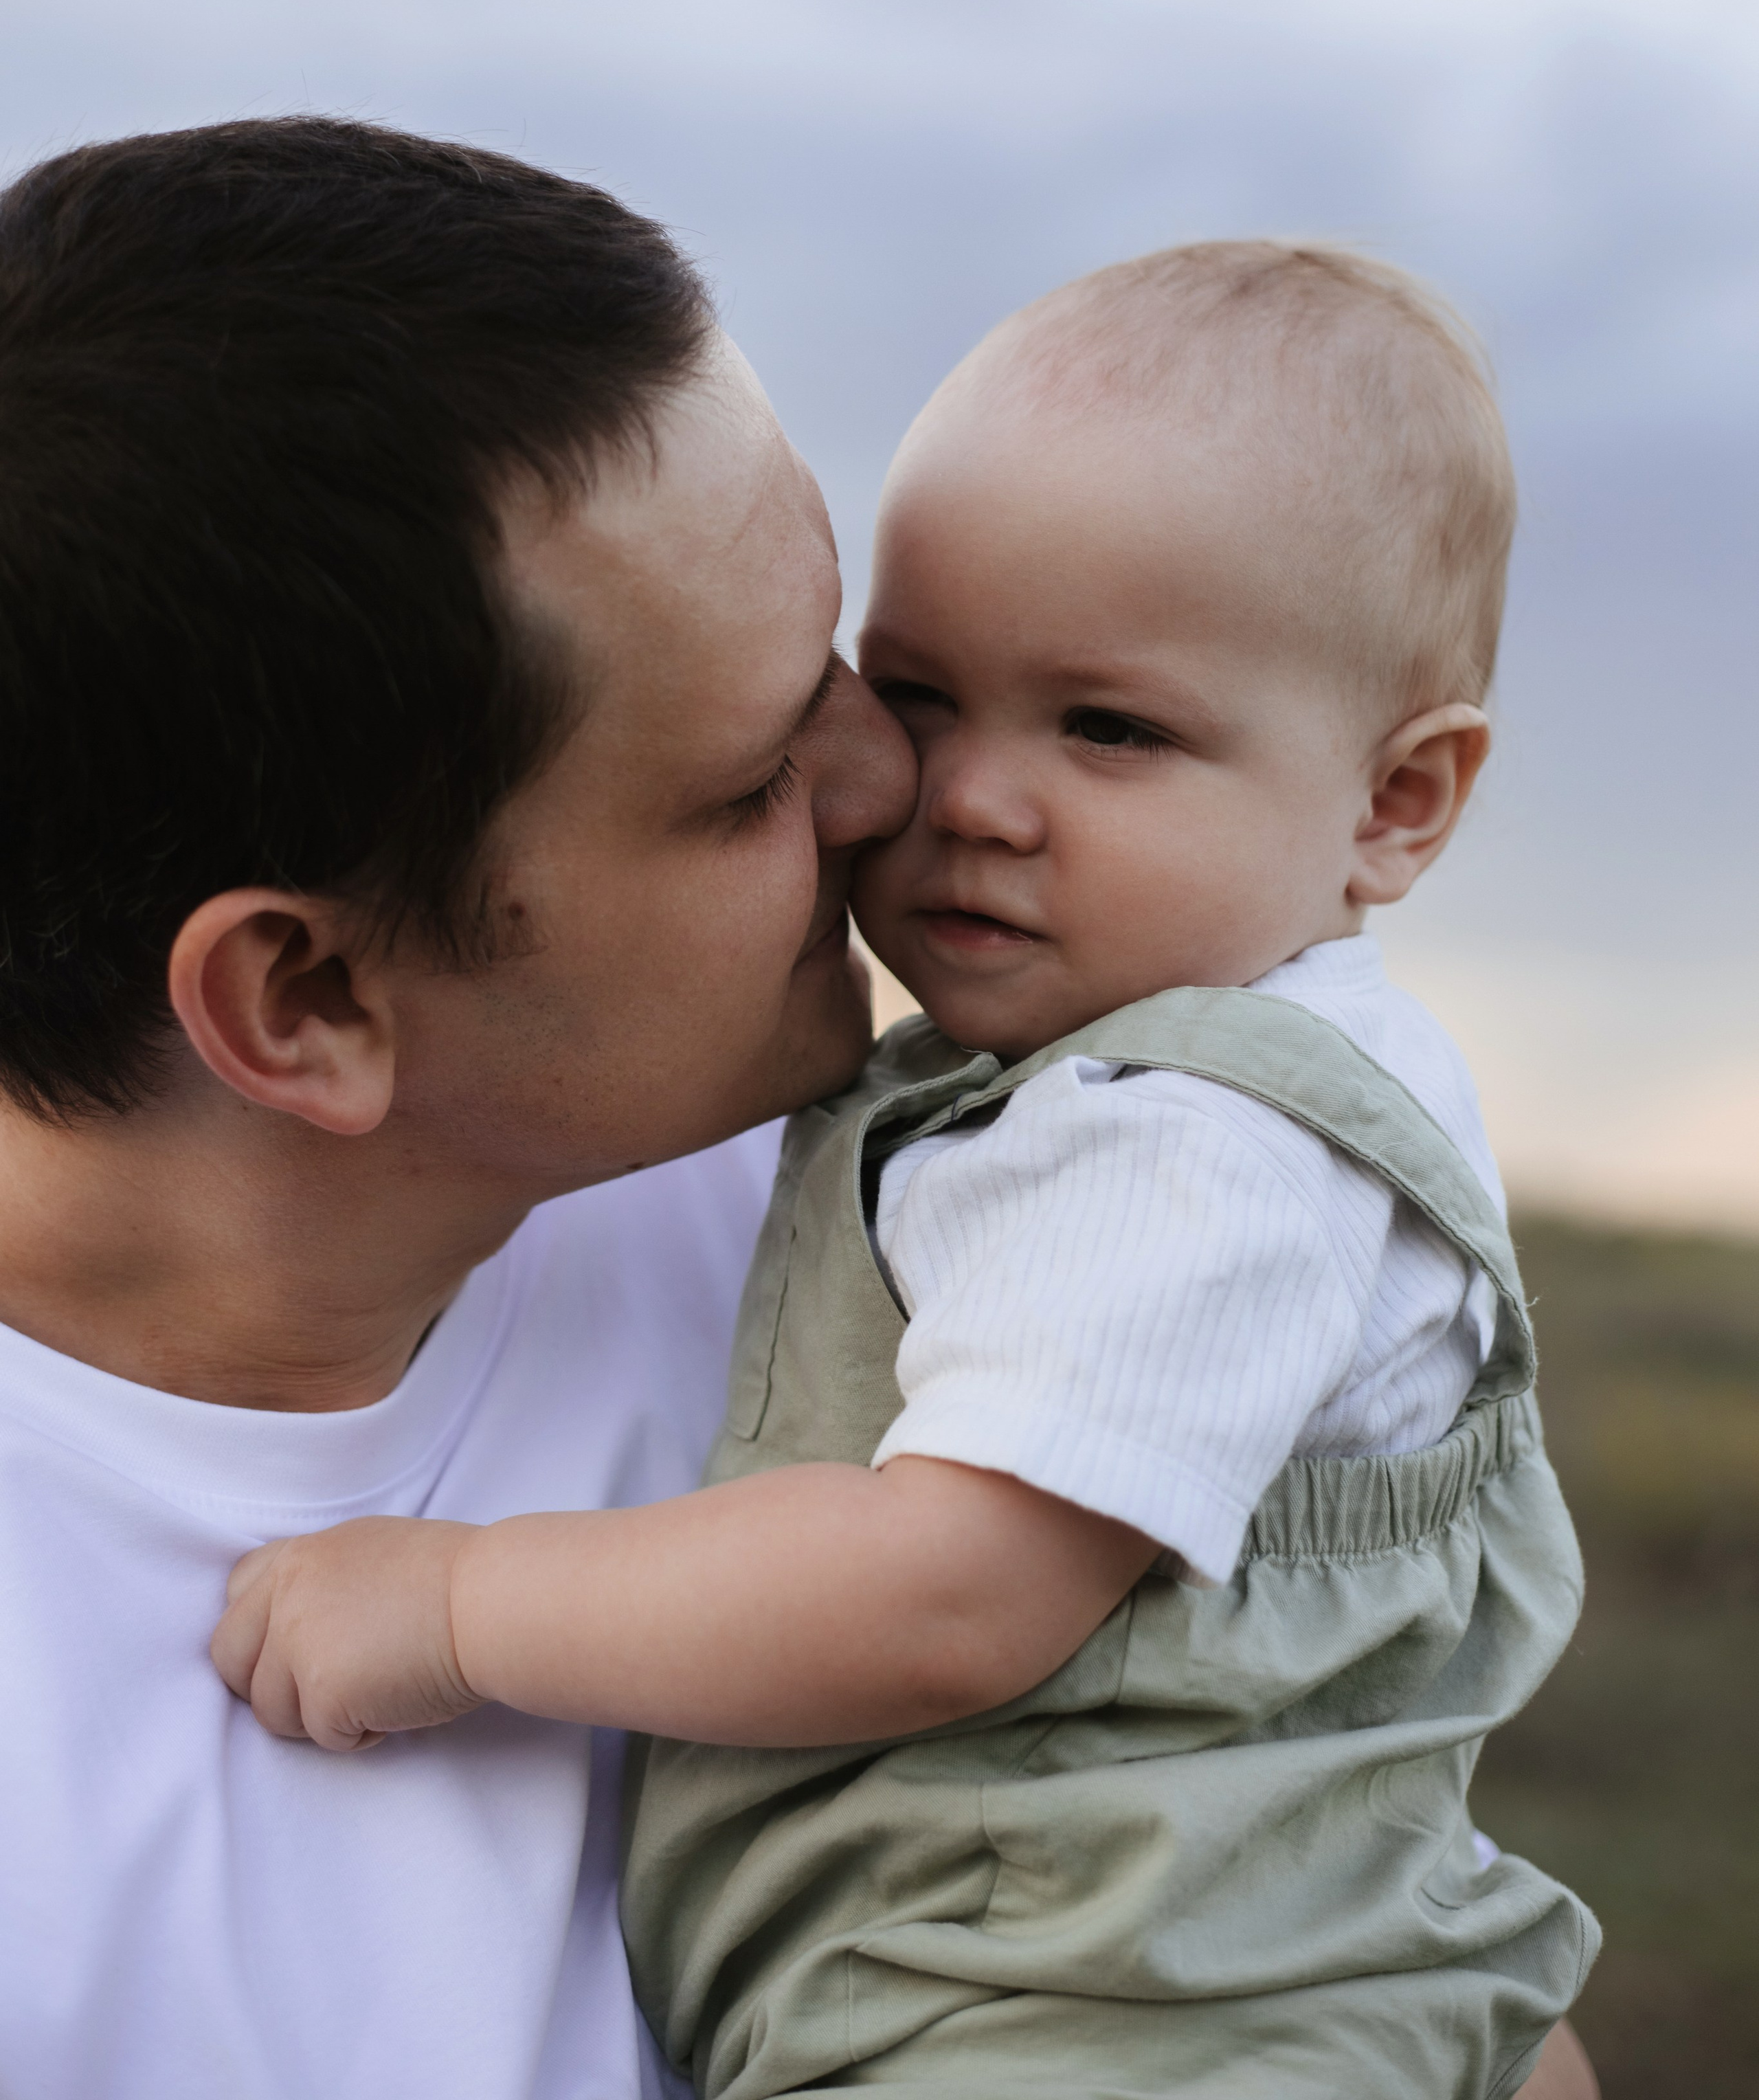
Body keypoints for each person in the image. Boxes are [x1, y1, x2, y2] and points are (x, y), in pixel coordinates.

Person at [216, 243, 1601, 2099]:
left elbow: (953, 1590)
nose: (958, 797)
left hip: (1096, 2026)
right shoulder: (1063, 1099)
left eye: (1108, 728)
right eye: (925, 691)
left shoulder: (1196, 1142)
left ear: (1396, 803)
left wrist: (466, 1606)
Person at [0, 115, 915, 2100]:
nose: (888, 780)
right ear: (308, 999)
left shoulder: (923, 1226)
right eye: (752, 782)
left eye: (837, 659)